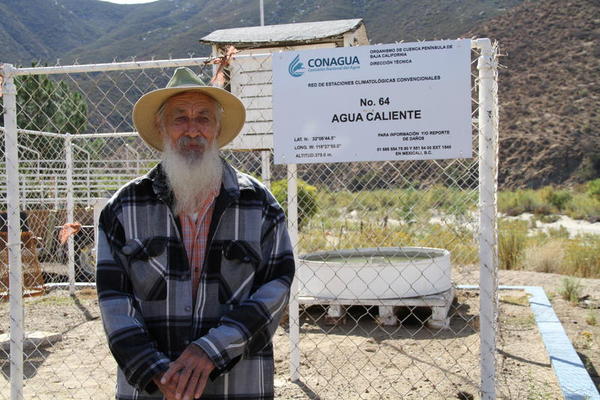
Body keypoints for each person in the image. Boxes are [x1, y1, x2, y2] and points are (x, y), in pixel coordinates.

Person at [96, 67, 295, 400]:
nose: (193, 130)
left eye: (203, 118)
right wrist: (155, 370)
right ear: (161, 129)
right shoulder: (123, 208)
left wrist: (211, 350)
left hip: (237, 386)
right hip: (152, 389)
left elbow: (276, 287)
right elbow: (114, 301)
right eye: (179, 119)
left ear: (217, 128)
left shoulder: (260, 205)